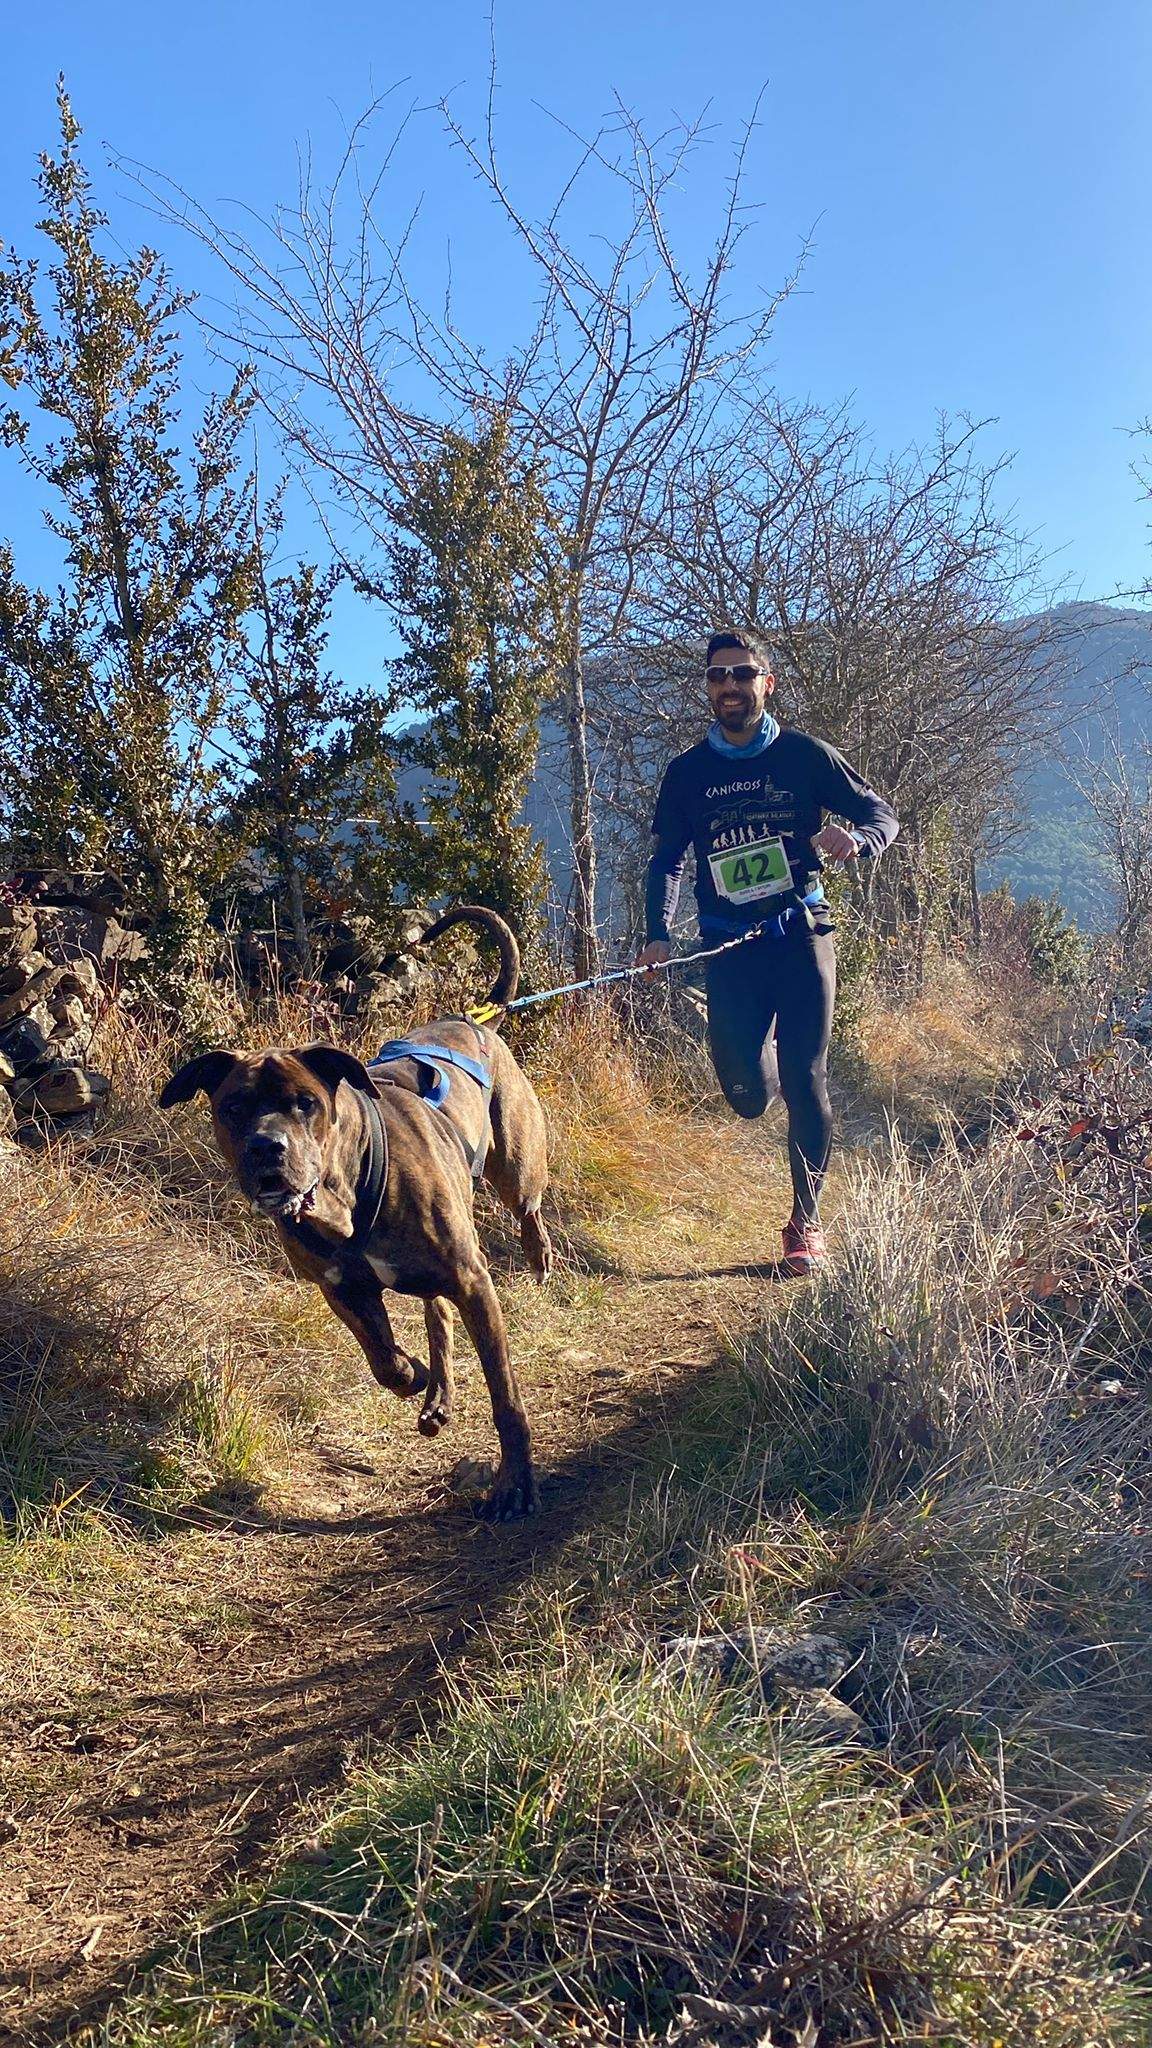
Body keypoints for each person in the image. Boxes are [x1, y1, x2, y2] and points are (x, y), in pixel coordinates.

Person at [637, 628, 899, 1274]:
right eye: (718, 676)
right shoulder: (687, 774)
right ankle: (768, 1073)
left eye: (742, 674)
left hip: (802, 935)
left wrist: (859, 840)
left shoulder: (804, 757)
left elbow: (880, 812)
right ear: (708, 687)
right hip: (729, 947)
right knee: (747, 1093)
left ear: (766, 683)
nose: (730, 686)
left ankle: (805, 1224)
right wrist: (656, 932)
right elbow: (668, 860)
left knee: (808, 1081)